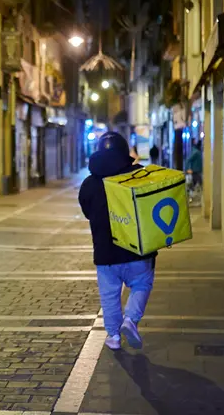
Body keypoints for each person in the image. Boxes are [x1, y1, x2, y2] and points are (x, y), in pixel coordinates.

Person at [78, 131, 157, 350]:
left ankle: (113, 336)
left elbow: (87, 212)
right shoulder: (140, 176)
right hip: (138, 249)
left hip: (105, 252)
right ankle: (131, 320)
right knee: (142, 283)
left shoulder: (89, 184)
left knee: (110, 295)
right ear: (125, 153)